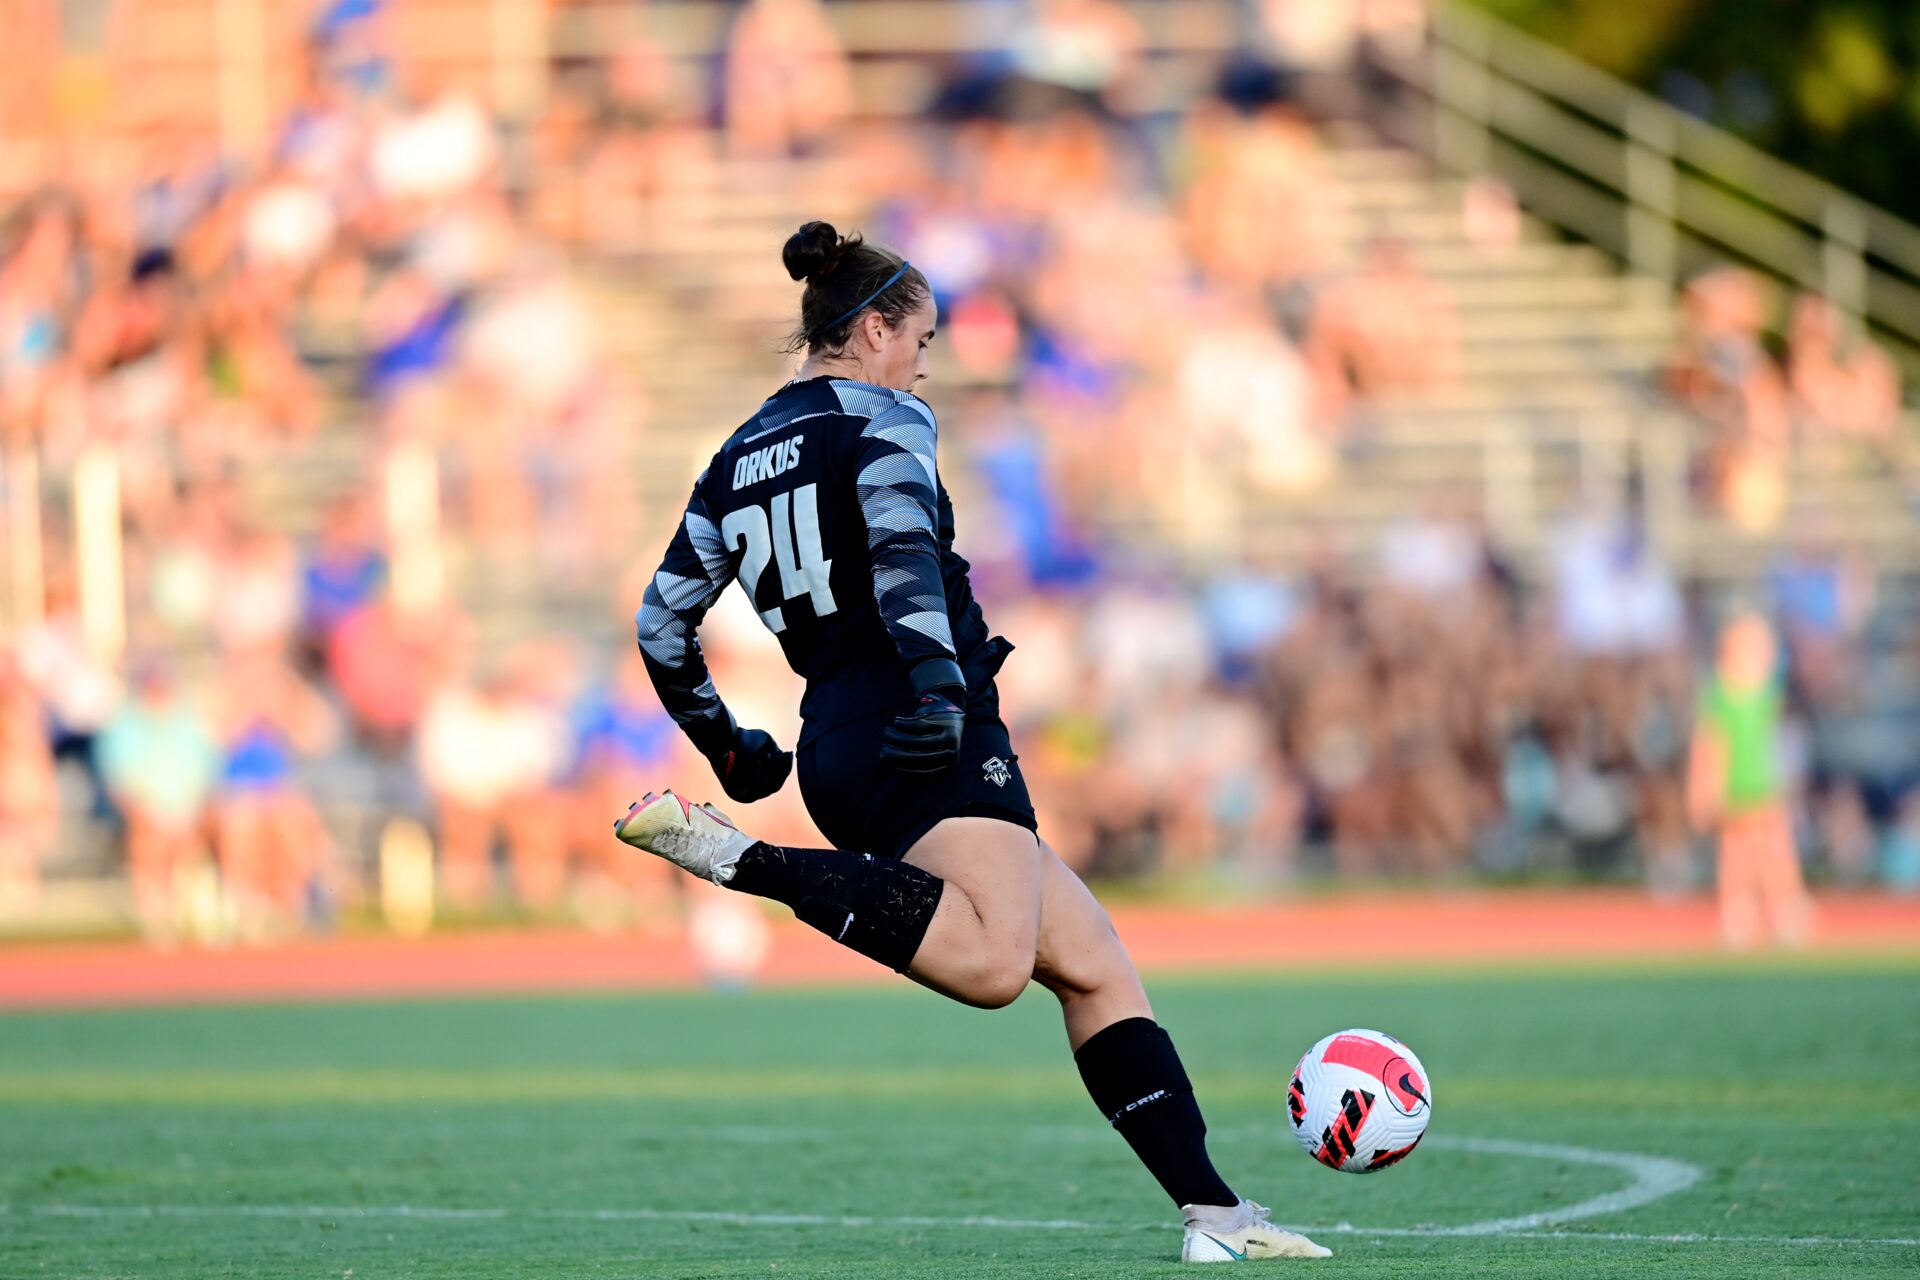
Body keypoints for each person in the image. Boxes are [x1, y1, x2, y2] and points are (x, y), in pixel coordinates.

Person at [615, 221, 1329, 1263]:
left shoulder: (734, 454)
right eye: (922, 338)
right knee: (998, 962)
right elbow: (904, 551)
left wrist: (727, 741)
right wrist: (942, 692)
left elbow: (660, 620)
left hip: (832, 736)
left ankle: (1218, 1217)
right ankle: (738, 858)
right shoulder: (888, 416)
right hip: (919, 712)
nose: (925, 361)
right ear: (869, 330)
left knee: (1090, 963)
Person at [1687, 611, 1813, 948]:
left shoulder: (1768, 695)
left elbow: (1780, 742)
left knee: (1775, 850)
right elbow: (1709, 743)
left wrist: (1789, 780)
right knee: (1737, 853)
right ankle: (1738, 913)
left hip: (1766, 787)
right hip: (1733, 787)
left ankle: (1786, 908)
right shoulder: (1719, 696)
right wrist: (1704, 786)